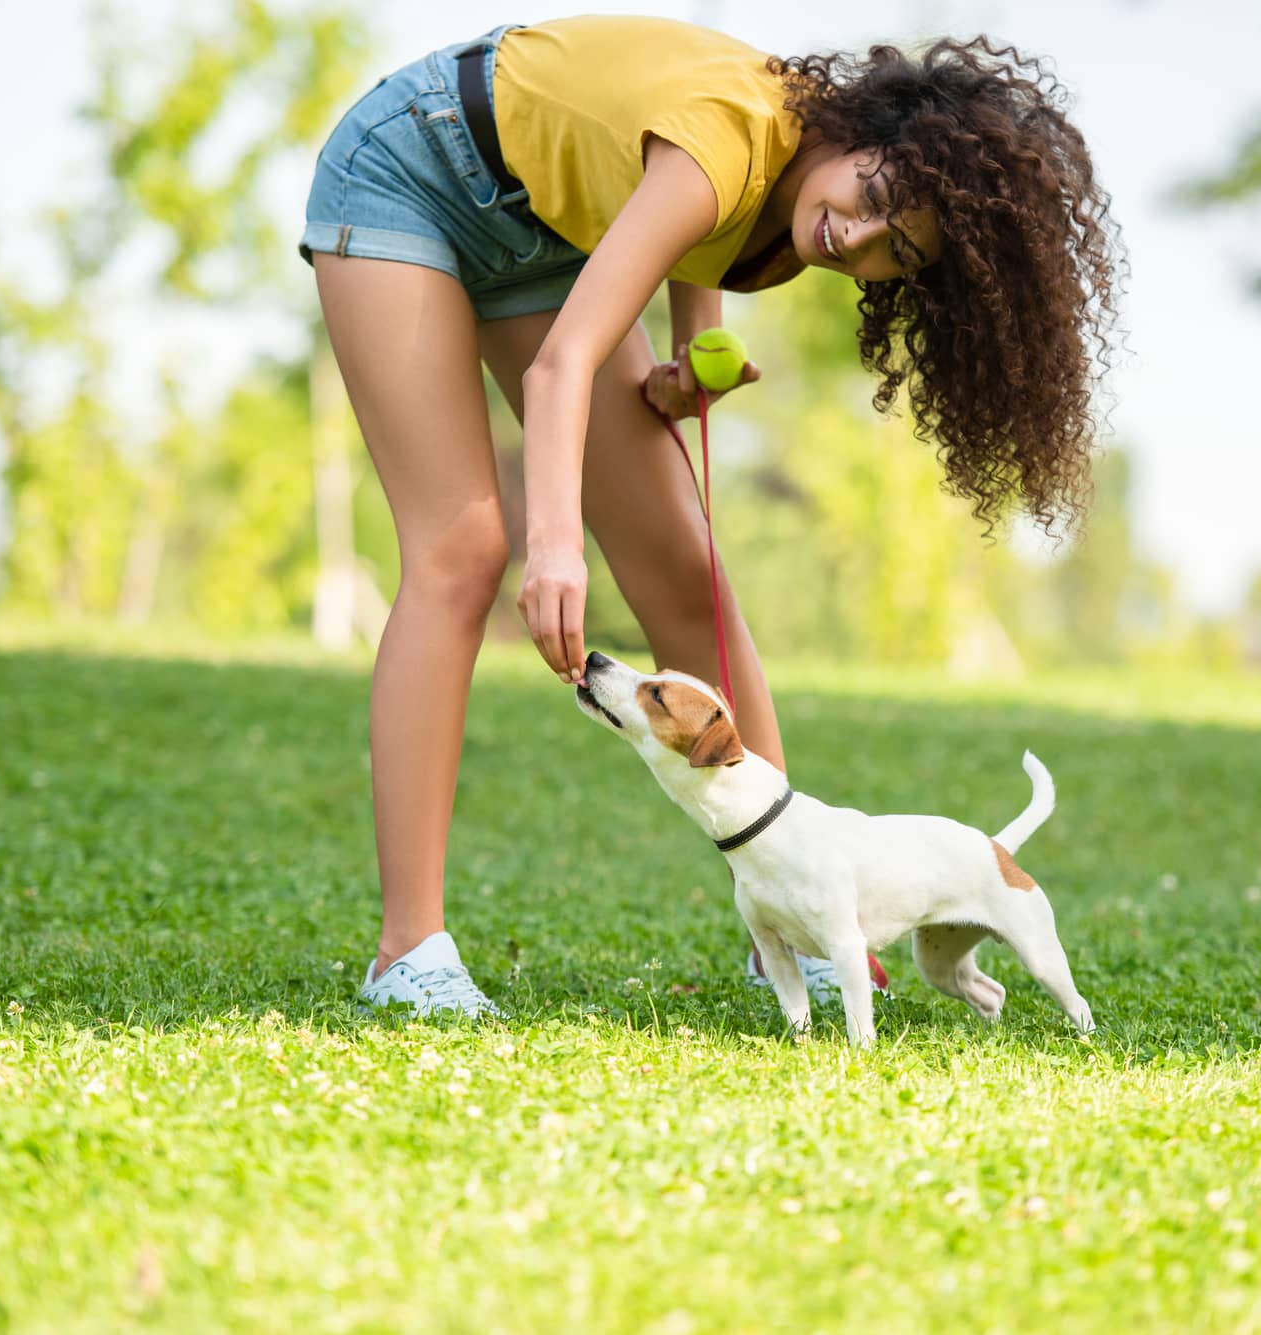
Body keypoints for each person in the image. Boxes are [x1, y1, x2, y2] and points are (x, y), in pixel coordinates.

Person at [300, 15, 1121, 1016]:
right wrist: (554, 544)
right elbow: (573, 350)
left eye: (891, 255)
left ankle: (793, 921)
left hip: (547, 230)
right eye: (874, 199)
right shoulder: (736, 137)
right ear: (873, 132)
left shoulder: (800, 215)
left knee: (689, 572)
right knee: (464, 550)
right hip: (412, 168)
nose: (854, 238)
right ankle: (408, 955)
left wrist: (700, 352)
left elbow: (709, 239)